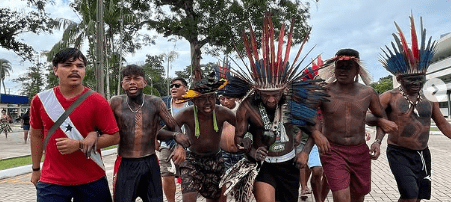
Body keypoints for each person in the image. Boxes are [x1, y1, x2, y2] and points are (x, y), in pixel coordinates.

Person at [225, 14, 329, 202]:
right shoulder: (247, 106)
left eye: (276, 94)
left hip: (289, 164)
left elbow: (314, 126)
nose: (271, 99)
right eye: (266, 95)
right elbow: (239, 139)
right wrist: (251, 151)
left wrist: (305, 151)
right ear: (257, 90)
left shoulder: (292, 102)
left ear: (284, 89)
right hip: (263, 166)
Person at [367, 15, 451, 202]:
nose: (416, 83)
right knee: (411, 194)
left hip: (423, 153)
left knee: (416, 197)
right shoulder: (390, 96)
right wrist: (379, 136)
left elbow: (443, 124)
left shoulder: (430, 97)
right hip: (398, 153)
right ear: (399, 79)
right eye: (410, 80)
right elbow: (368, 116)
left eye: (420, 79)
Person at [301, 48, 397, 202]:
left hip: (360, 152)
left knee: (358, 197)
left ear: (357, 70)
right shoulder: (323, 91)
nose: (343, 71)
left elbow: (381, 118)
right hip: (332, 151)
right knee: (341, 197)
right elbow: (302, 116)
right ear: (334, 68)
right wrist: (316, 134)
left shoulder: (368, 93)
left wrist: (378, 141)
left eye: (348, 67)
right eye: (340, 66)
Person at [29, 48, 120, 202]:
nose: (74, 70)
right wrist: (36, 169)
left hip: (92, 178)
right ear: (55, 70)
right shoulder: (40, 100)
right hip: (52, 180)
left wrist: (79, 144)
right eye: (67, 65)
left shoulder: (97, 101)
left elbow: (115, 136)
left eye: (80, 66)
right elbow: (36, 135)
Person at [110, 65, 187, 202]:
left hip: (149, 162)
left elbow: (174, 126)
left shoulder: (155, 102)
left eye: (136, 79)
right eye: (128, 79)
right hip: (125, 163)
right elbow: (102, 128)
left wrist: (180, 146)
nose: (132, 82)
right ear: (122, 84)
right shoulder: (116, 103)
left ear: (144, 82)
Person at [158, 72, 235, 202]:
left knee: (219, 199)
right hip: (192, 161)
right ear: (193, 100)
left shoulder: (222, 113)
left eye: (211, 97)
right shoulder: (186, 114)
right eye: (202, 99)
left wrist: (247, 139)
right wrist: (176, 135)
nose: (208, 102)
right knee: (188, 197)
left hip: (215, 160)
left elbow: (243, 128)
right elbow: (160, 133)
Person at [157, 77, 191, 202]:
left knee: (188, 176)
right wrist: (156, 140)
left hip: (189, 145)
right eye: (172, 86)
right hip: (166, 143)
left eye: (177, 85)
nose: (173, 88)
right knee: (167, 175)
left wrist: (183, 145)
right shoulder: (164, 102)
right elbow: (156, 122)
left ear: (186, 89)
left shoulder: (192, 103)